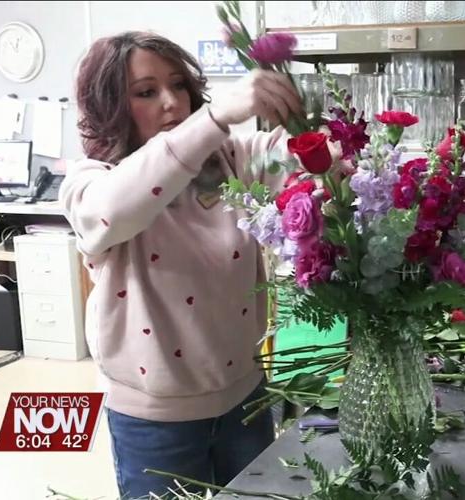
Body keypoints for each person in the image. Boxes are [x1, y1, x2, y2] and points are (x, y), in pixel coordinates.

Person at [63, 31, 303, 498]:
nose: (172, 102)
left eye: (179, 86)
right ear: (111, 105)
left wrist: (314, 133)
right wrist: (214, 118)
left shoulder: (235, 160)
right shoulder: (91, 183)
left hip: (245, 400)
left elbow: (302, 158)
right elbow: (115, 207)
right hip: (154, 422)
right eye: (146, 92)